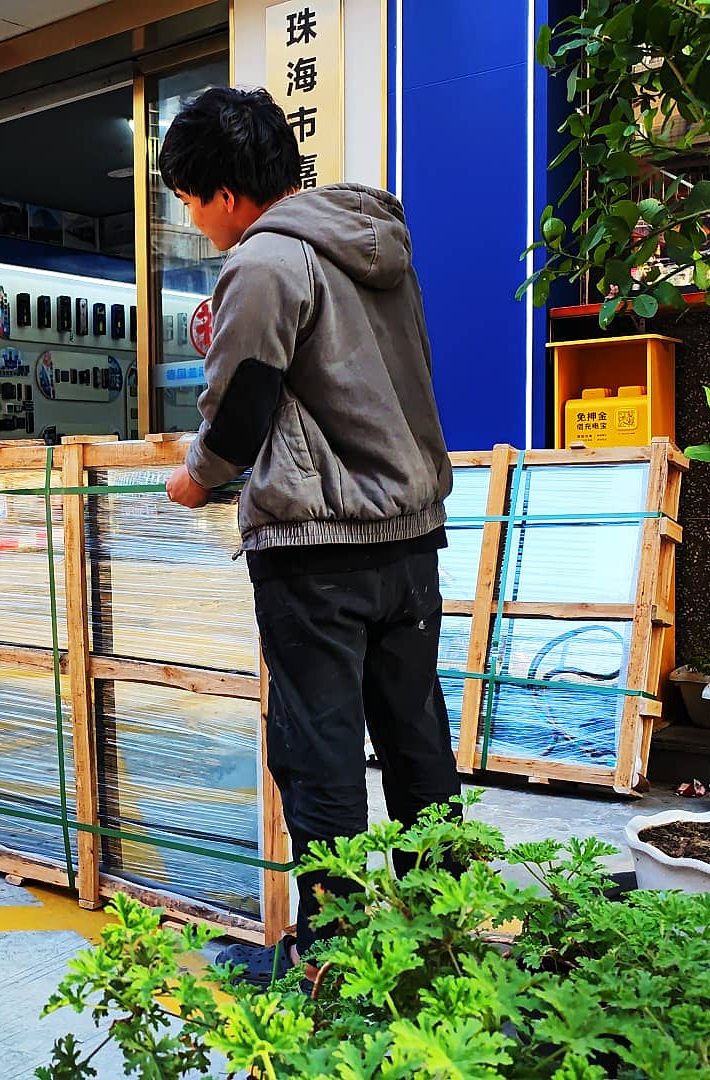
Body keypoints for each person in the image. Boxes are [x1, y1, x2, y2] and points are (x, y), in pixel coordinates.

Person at [157, 87, 460, 983]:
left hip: (318, 552)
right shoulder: (377, 247)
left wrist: (194, 477)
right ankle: (445, 941)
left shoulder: (265, 260)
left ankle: (331, 963)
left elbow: (241, 410)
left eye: (190, 200)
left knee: (317, 753)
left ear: (225, 193)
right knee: (416, 744)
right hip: (409, 541)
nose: (192, 220)